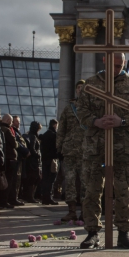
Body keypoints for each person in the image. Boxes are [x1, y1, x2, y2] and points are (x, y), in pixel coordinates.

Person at [76, 52, 129, 249]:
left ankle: (123, 232)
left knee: (124, 191)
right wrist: (96, 121)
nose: (117, 70)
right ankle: (92, 233)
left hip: (123, 145)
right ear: (105, 61)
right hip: (96, 145)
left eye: (120, 66)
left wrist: (122, 121)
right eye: (114, 65)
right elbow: (80, 110)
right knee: (92, 190)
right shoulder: (90, 85)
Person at [57, 80, 87, 222]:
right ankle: (71, 211)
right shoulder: (69, 108)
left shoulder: (90, 107)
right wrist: (59, 147)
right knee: (69, 181)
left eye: (83, 88)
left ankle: (85, 212)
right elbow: (61, 129)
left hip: (86, 151)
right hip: (69, 151)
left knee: (85, 182)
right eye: (78, 88)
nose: (80, 90)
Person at [0, 114, 18, 208]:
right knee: (8, 181)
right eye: (11, 121)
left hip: (3, 157)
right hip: (10, 158)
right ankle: (4, 201)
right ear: (8, 120)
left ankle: (1, 200)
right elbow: (14, 144)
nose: (12, 123)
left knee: (2, 180)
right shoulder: (7, 130)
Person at [40, 119, 59, 205]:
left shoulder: (44, 135)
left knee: (45, 179)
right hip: (52, 159)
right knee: (51, 179)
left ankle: (44, 198)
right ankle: (49, 197)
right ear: (55, 125)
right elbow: (57, 148)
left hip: (44, 159)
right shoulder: (54, 135)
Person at [23, 121, 42, 203]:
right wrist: (38, 155)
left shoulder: (29, 135)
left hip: (30, 161)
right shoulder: (34, 137)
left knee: (31, 179)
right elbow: (33, 149)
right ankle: (30, 197)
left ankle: (29, 196)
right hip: (34, 162)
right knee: (33, 179)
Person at [11, 115, 28, 206]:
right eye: (17, 121)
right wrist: (25, 151)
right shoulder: (13, 131)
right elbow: (17, 143)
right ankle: (13, 198)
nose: (19, 123)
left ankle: (15, 197)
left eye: (19, 121)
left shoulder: (17, 132)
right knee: (15, 179)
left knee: (18, 179)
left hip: (20, 158)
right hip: (16, 158)